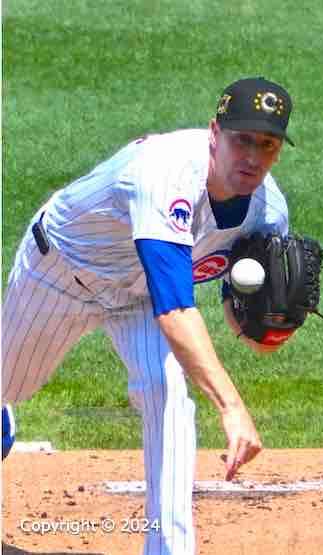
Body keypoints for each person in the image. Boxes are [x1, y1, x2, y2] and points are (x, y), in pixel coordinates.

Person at [2, 76, 296, 555]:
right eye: (243, 139)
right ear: (214, 134)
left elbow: (232, 304)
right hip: (61, 270)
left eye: (268, 144)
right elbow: (177, 309)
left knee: (169, 396)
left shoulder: (268, 213)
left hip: (136, 294)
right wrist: (232, 406)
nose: (253, 156)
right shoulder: (164, 174)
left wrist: (261, 332)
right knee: (8, 387)